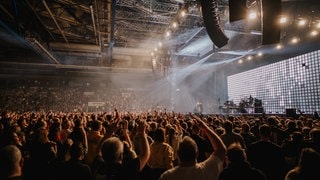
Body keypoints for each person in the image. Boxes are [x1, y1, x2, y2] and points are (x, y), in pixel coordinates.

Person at [159, 113, 226, 180]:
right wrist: (205, 128)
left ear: (178, 154)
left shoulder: (167, 176)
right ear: (197, 154)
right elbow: (221, 149)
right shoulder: (205, 171)